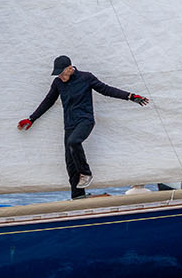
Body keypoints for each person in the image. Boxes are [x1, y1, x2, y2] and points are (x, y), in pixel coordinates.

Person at [18, 56, 150, 198]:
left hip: (85, 121)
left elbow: (106, 90)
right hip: (69, 124)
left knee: (73, 142)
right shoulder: (58, 83)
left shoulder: (86, 77)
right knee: (70, 163)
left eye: (62, 73)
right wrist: (32, 119)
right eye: (58, 74)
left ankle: (86, 173)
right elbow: (48, 100)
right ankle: (77, 196)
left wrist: (130, 96)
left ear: (70, 68)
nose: (61, 77)